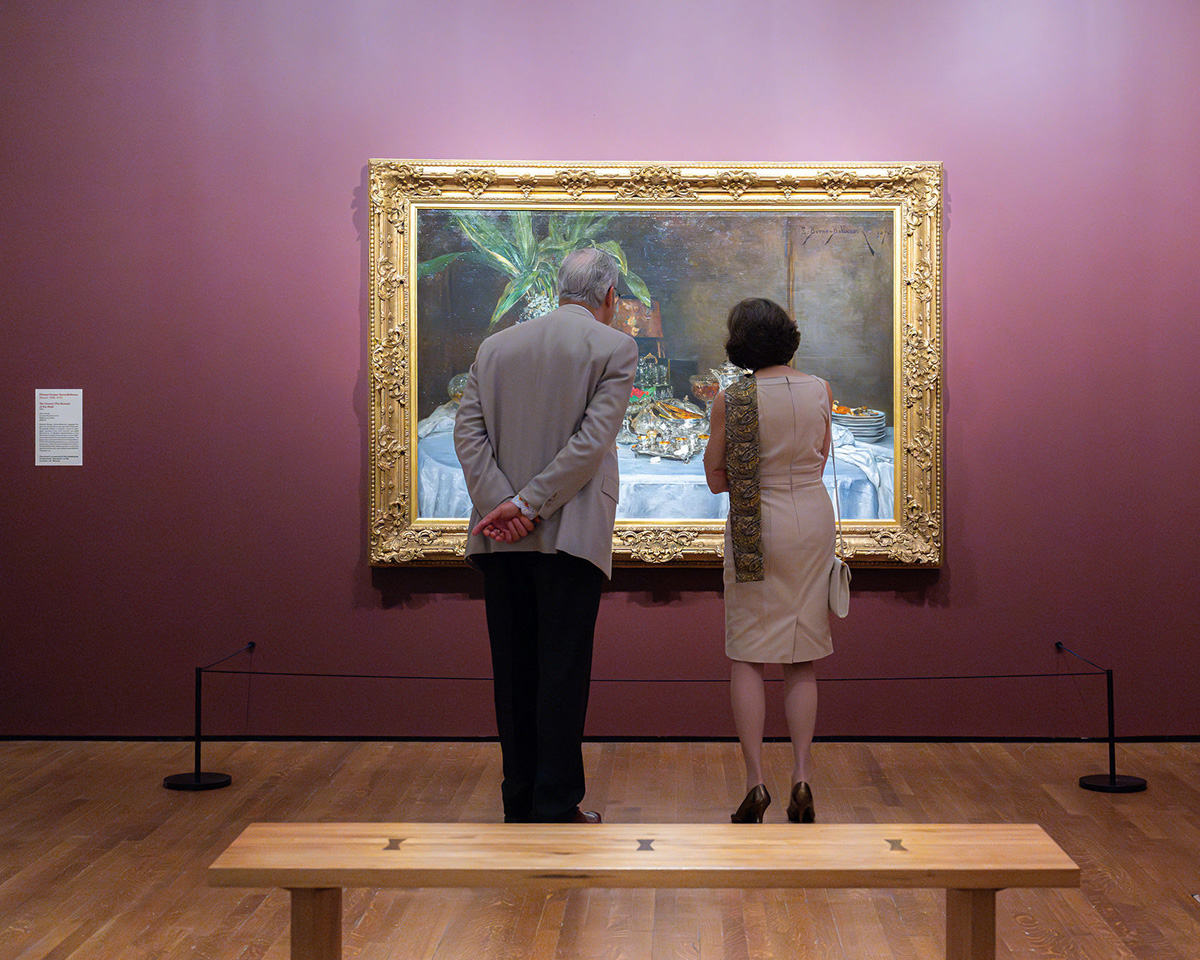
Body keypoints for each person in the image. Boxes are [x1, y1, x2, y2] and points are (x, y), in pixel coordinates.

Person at [453, 248, 639, 824]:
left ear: (561, 289)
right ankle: (555, 804)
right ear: (608, 296)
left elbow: (468, 433)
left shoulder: (496, 346)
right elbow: (591, 444)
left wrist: (500, 505)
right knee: (561, 673)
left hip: (499, 538)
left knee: (512, 675)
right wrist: (529, 506)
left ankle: (518, 801)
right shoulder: (614, 347)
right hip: (570, 536)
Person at [702, 297, 835, 824]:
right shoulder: (819, 388)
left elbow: (716, 476)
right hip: (812, 517)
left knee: (748, 653)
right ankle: (802, 777)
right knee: (803, 653)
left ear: (739, 344)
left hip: (759, 521)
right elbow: (822, 455)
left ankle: (757, 783)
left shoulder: (732, 398)